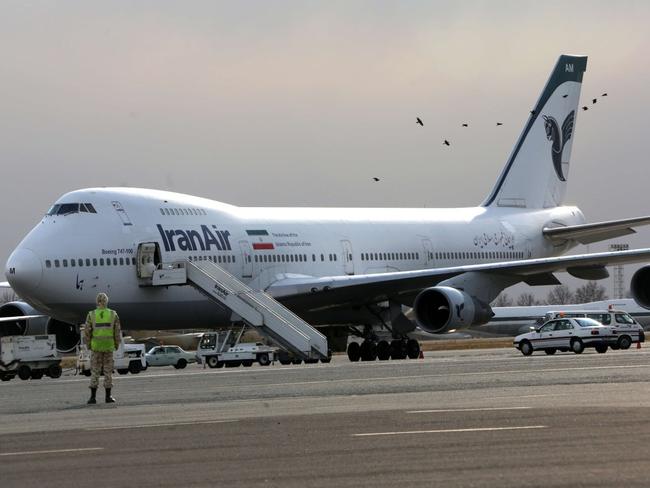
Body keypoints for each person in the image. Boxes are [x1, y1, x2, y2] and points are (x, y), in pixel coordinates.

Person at [84, 292, 122, 404]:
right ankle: (108, 397)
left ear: (97, 302)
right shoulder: (113, 314)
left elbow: (87, 332)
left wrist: (89, 345)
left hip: (96, 347)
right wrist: (116, 344)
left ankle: (92, 398)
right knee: (108, 372)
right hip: (108, 347)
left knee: (95, 371)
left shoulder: (91, 315)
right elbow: (117, 332)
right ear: (106, 301)